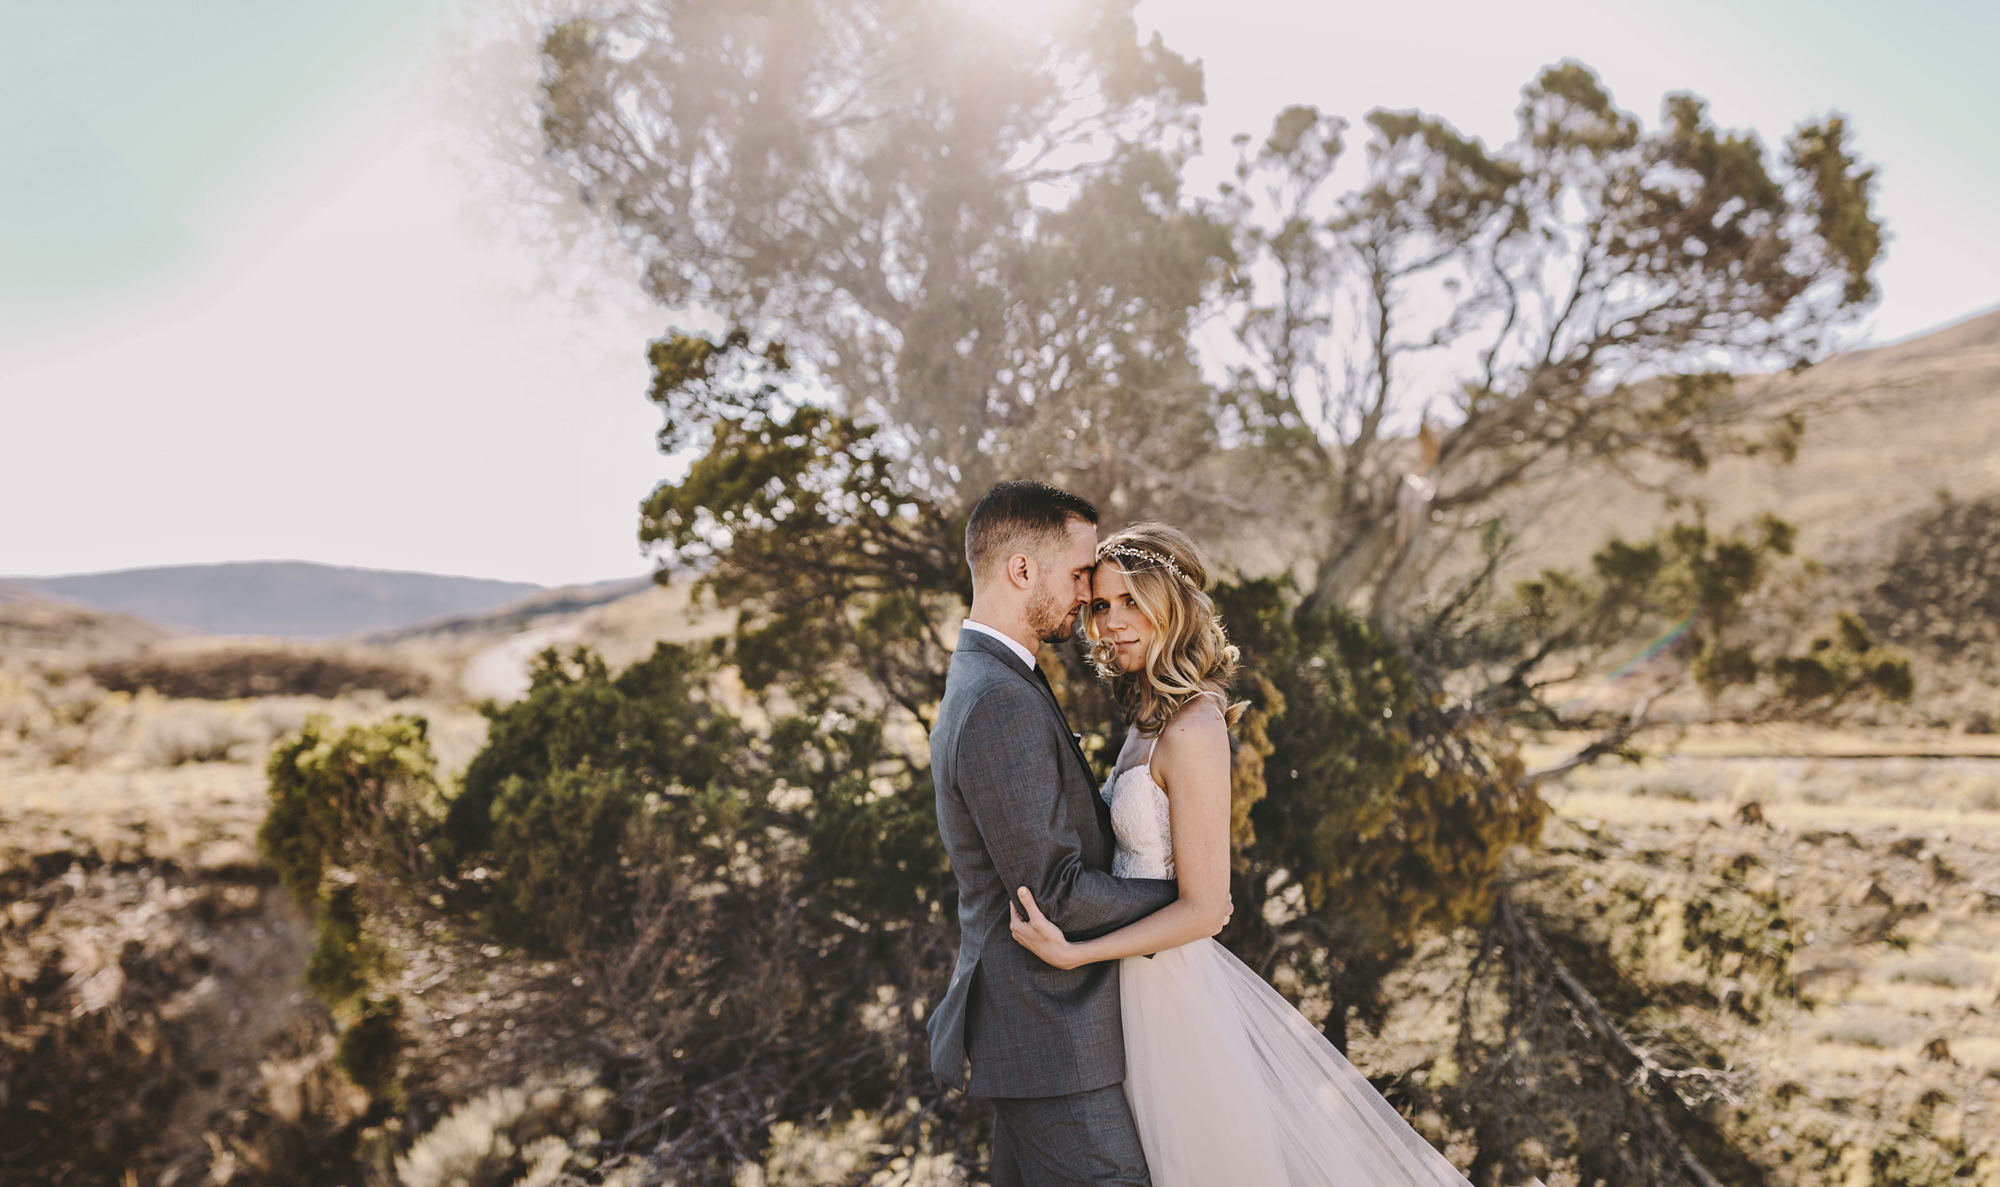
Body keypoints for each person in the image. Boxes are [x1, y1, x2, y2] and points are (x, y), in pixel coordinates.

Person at [1008, 522, 1471, 1187]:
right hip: (1126, 986)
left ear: (1174, 603)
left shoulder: (1194, 724)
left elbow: (1206, 907)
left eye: (1131, 602)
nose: (1111, 622)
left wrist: (1075, 952)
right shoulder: (1144, 713)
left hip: (1169, 994)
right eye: (1102, 605)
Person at [928, 482, 1220, 1187]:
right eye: (1081, 574)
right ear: (1023, 569)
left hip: (1051, 1027)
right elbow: (1053, 891)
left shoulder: (994, 675)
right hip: (1051, 1033)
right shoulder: (999, 697)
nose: (1087, 597)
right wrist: (1192, 900)